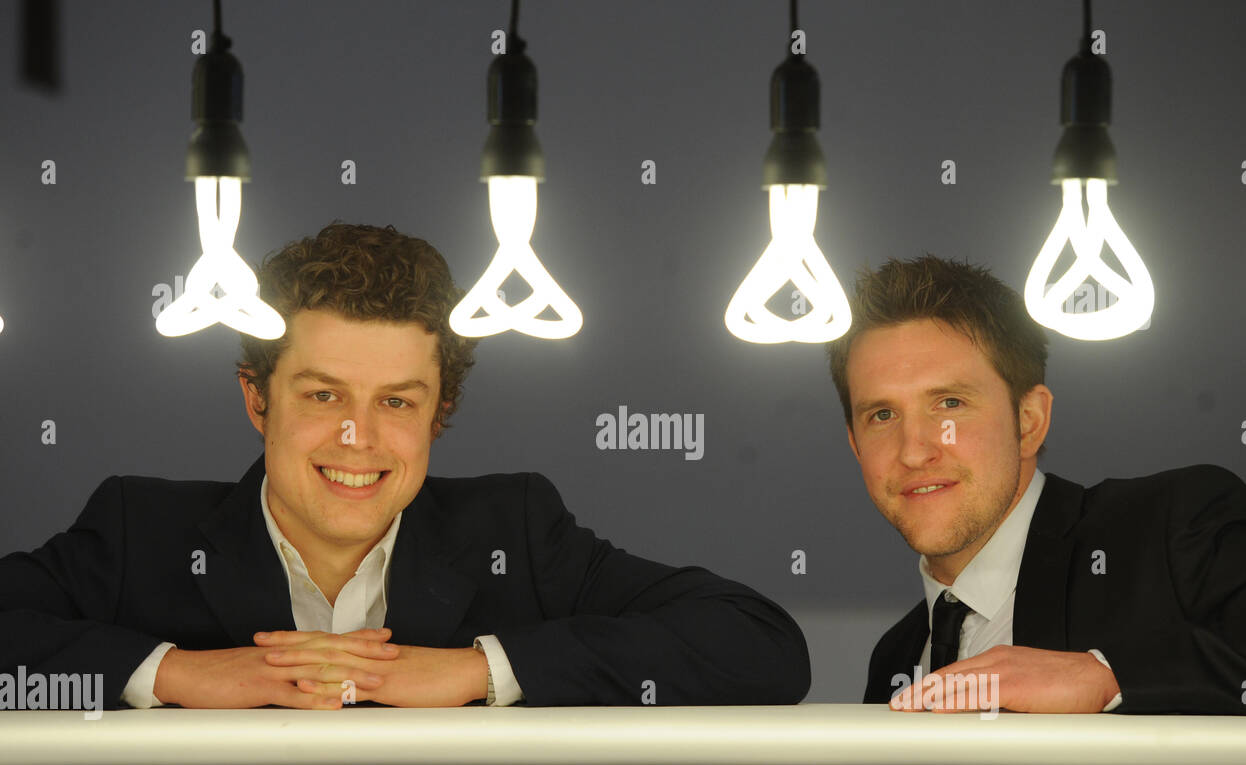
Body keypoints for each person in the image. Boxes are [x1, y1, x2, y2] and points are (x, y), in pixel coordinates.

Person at [0, 223, 809, 710]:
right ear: (258, 400)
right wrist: (174, 673)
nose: (358, 436)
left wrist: (482, 669)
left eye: (397, 402)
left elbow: (762, 645)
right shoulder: (140, 530)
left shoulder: (517, 532)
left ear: (438, 412)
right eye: (322, 396)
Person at [826, 254, 1246, 714]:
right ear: (855, 443)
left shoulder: (1174, 526)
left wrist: (1103, 677)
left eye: (949, 403)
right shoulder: (894, 657)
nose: (914, 450)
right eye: (882, 415)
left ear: (1029, 421)